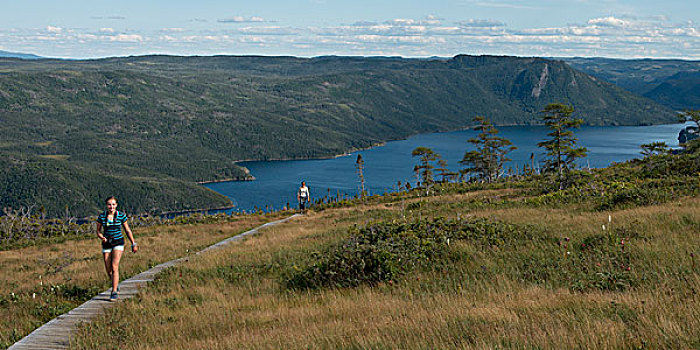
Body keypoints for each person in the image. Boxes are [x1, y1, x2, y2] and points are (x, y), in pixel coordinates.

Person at [96, 196, 138, 302]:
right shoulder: (102, 217)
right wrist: (102, 237)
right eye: (109, 204)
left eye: (113, 204)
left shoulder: (121, 216)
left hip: (118, 242)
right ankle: (116, 283)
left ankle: (114, 291)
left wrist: (133, 243)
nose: (111, 207)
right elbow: (98, 231)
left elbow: (127, 230)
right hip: (106, 243)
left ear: (116, 205)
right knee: (108, 269)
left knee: (115, 266)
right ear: (106, 205)